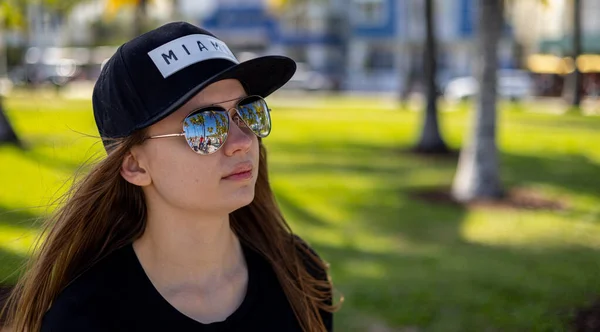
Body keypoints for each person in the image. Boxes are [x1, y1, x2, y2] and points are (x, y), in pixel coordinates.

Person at [3, 22, 339, 332]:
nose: (242, 142)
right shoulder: (86, 317)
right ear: (135, 166)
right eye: (205, 125)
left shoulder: (299, 275)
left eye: (246, 113)